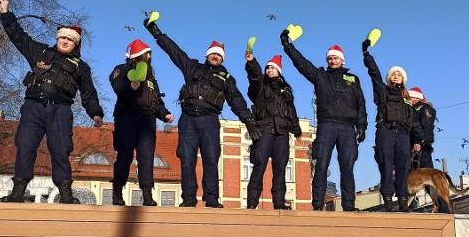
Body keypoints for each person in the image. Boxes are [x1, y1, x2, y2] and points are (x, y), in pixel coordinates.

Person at [144, 13, 260, 208]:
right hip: (188, 118)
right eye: (213, 53)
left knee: (211, 159)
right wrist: (155, 32)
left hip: (210, 120)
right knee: (187, 159)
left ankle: (212, 199)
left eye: (219, 55)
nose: (215, 56)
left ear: (222, 59)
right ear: (207, 54)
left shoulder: (226, 78)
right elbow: (174, 51)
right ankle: (188, 198)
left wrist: (248, 120)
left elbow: (237, 100)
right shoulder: (192, 67)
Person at [0, 0, 104, 204]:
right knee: (25, 146)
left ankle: (65, 193)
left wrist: (95, 113)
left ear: (76, 43)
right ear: (57, 38)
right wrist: (5, 12)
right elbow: (18, 36)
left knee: (60, 150)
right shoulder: (40, 52)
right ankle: (18, 191)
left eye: (69, 39)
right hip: (33, 107)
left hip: (60, 110)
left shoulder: (82, 67)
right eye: (62, 37)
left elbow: (88, 92)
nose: (64, 41)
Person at [281, 31, 366, 211]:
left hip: (347, 128)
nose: (333, 61)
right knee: (321, 165)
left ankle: (349, 204)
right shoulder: (321, 76)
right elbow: (302, 64)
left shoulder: (353, 80)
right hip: (326, 126)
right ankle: (318, 203)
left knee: (347, 167)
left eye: (336, 58)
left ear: (342, 60)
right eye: (330, 58)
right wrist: (288, 46)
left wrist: (362, 125)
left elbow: (361, 103)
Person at [109, 39, 174, 206]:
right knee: (125, 155)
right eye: (148, 53)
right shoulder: (122, 70)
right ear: (138, 55)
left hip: (147, 119)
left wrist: (165, 113)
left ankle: (147, 194)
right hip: (127, 116)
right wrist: (131, 87)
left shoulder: (151, 79)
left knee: (146, 157)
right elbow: (117, 87)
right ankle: (117, 191)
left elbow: (156, 101)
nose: (150, 56)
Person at [362, 39, 421, 212]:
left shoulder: (408, 99)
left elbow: (414, 122)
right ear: (389, 78)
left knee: (403, 167)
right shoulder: (382, 92)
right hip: (385, 131)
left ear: (403, 79)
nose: (396, 76)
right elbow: (374, 73)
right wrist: (366, 54)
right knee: (386, 166)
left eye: (399, 74)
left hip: (403, 135)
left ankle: (403, 202)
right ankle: (388, 201)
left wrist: (417, 140)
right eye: (393, 74)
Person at [244, 53, 302, 210]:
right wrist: (252, 63)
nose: (269, 70)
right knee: (260, 163)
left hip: (282, 131)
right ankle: (252, 202)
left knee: (280, 167)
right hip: (264, 127)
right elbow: (254, 76)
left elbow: (291, 110)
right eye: (267, 68)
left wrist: (297, 130)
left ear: (279, 71)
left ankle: (279, 202)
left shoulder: (286, 89)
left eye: (272, 68)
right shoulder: (261, 84)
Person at [409, 86, 449, 213]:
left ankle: (444, 208)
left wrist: (419, 141)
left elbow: (425, 127)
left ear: (416, 97)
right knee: (417, 180)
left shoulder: (424, 108)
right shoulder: (414, 108)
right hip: (415, 146)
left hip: (421, 147)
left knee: (429, 179)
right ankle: (408, 207)